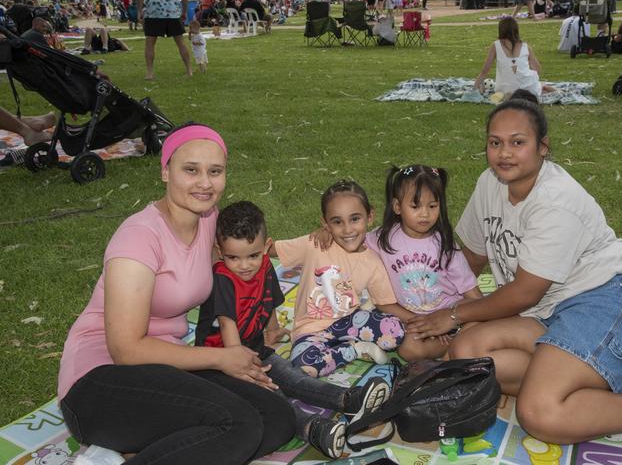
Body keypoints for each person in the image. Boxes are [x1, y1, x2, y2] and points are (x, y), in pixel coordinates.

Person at [408, 95, 622, 444]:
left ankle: (580, 391)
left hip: (609, 298)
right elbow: (470, 260)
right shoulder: (489, 184)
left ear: (543, 147)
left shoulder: (556, 200)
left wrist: (455, 314)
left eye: (517, 142)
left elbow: (524, 292)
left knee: (540, 415)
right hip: (548, 312)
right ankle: (579, 381)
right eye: (495, 143)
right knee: (464, 354)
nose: (504, 153)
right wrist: (430, 304)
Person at [57, 123, 295, 465]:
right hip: (99, 383)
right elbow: (125, 349)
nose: (204, 182)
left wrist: (321, 239)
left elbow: (251, 248)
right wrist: (220, 357)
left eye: (215, 171)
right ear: (165, 171)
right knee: (239, 424)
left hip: (166, 365)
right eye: (190, 170)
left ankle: (148, 450)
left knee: (276, 417)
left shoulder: (209, 221)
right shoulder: (138, 237)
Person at [195, 201, 391, 459]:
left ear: (266, 247)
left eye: (252, 255)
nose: (244, 265)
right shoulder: (223, 278)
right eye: (233, 257)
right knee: (270, 396)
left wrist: (273, 329)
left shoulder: (264, 266)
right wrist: (245, 371)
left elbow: (267, 299)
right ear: (220, 252)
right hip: (221, 364)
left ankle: (350, 399)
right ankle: (314, 429)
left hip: (254, 350)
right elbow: (228, 328)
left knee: (293, 378)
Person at [270, 180, 406, 378]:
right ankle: (356, 350)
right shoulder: (314, 244)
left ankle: (348, 340)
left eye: (354, 219)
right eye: (337, 222)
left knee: (395, 331)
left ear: (370, 216)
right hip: (310, 331)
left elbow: (387, 304)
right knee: (303, 367)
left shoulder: (373, 262)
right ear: (325, 223)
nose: (347, 229)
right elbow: (270, 250)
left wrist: (421, 320)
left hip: (348, 323)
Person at [363, 165, 483, 361]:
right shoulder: (383, 238)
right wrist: (326, 233)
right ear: (397, 206)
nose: (425, 214)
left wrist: (449, 322)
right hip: (411, 321)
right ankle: (456, 352)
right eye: (415, 206)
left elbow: (475, 296)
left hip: (452, 320)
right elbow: (351, 239)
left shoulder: (445, 245)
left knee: (479, 322)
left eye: (432, 206)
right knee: (408, 348)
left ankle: (458, 348)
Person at [133, 0, 193, 80]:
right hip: (173, 11)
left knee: (150, 43)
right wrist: (184, 12)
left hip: (153, 12)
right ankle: (189, 70)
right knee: (180, 43)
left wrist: (139, 11)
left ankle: (150, 73)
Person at [474, 17, 544, 98]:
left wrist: (475, 87)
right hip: (528, 89)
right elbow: (537, 69)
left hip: (504, 90)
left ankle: (540, 87)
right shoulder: (526, 46)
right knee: (534, 79)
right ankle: (542, 87)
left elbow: (485, 71)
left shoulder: (495, 45)